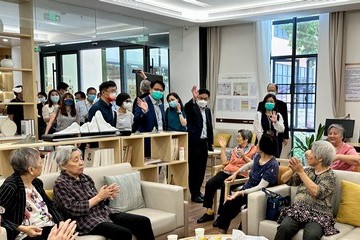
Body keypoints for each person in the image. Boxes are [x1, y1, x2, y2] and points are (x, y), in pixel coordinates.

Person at [53, 146, 155, 240]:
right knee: (123, 233)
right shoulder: (60, 184)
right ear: (64, 165)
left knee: (143, 221)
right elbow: (73, 209)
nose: (81, 162)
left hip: (103, 213)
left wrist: (106, 195)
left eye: (81, 158)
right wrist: (99, 197)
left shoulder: (85, 177)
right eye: (76, 160)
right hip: (84, 221)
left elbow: (99, 202)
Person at [275, 141, 339, 240]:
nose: (308, 154)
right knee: (284, 228)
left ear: (320, 158)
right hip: (299, 210)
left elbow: (316, 192)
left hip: (319, 214)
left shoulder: (330, 176)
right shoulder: (308, 171)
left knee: (311, 236)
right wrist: (293, 169)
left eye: (312, 152)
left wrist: (300, 171)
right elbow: (284, 179)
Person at [216, 133, 279, 233]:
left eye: (259, 143)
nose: (256, 146)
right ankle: (222, 234)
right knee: (228, 204)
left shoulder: (273, 165)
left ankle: (242, 233)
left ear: (264, 147)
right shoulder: (258, 156)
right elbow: (250, 164)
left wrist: (240, 192)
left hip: (259, 195)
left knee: (246, 214)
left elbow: (260, 187)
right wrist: (236, 173)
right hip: (247, 189)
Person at [0, 147, 63, 240]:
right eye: (40, 162)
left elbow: (50, 205)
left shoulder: (37, 182)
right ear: (31, 170)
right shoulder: (11, 186)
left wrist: (61, 222)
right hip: (27, 234)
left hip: (48, 227)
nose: (42, 164)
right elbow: (2, 218)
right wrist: (23, 229)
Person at [197, 129, 257, 224]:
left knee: (225, 186)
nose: (237, 139)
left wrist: (244, 156)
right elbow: (225, 162)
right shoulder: (234, 149)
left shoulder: (254, 150)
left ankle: (222, 215)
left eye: (239, 137)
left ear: (246, 140)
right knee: (210, 183)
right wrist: (223, 148)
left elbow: (255, 164)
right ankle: (209, 212)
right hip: (227, 172)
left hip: (241, 175)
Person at [184, 86, 214, 203]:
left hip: (204, 143)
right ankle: (194, 193)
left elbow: (209, 126)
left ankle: (199, 191)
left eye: (205, 98)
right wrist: (193, 98)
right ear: (197, 98)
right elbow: (187, 108)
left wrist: (210, 143)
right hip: (193, 143)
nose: (203, 100)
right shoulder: (192, 108)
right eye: (201, 98)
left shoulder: (207, 110)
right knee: (194, 170)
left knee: (202, 169)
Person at [257, 83, 290, 157]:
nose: (271, 91)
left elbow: (285, 121)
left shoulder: (282, 104)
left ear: (277, 91)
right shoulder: (261, 104)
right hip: (263, 137)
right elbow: (258, 123)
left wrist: (286, 136)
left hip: (276, 136)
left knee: (276, 157)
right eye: (269, 90)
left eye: (273, 90)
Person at [254, 93, 285, 158]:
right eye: (267, 101)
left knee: (274, 161)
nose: (269, 103)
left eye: (271, 102)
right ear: (264, 103)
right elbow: (257, 130)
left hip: (274, 141)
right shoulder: (259, 114)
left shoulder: (278, 115)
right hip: (263, 140)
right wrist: (263, 141)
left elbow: (282, 129)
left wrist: (276, 122)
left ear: (275, 103)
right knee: (262, 160)